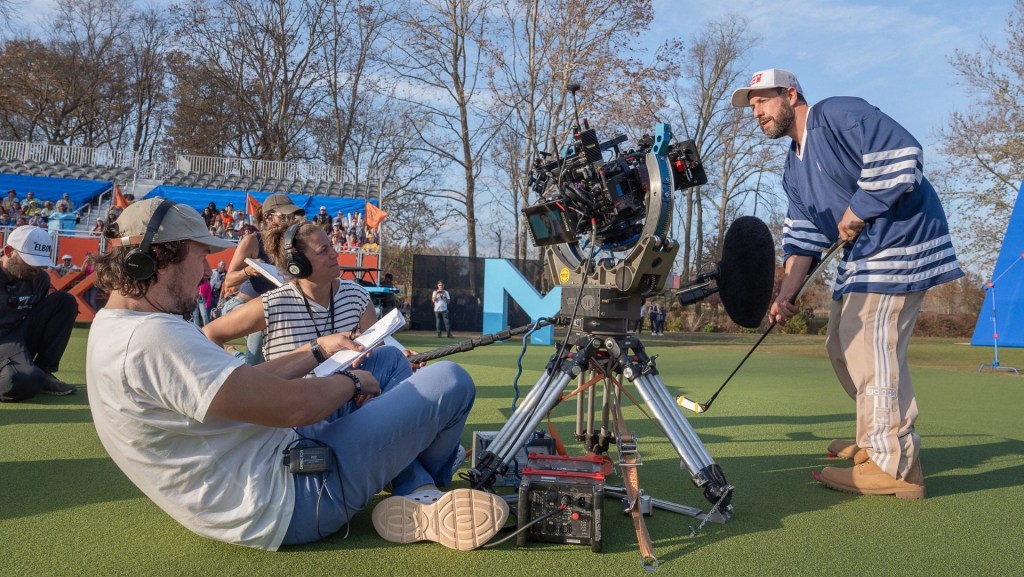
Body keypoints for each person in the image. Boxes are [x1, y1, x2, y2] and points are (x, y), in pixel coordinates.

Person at [86, 198, 506, 550]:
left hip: (279, 470)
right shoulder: (152, 338)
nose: (205, 273)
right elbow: (293, 406)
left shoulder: (121, 326)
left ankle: (410, 486)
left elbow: (249, 386)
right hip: (291, 500)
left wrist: (317, 349)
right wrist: (353, 383)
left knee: (388, 361)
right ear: (157, 257)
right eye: (200, 257)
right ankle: (421, 490)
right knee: (450, 379)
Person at [733, 68, 964, 499]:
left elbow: (904, 153)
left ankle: (891, 464)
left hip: (901, 241)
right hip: (863, 256)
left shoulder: (837, 113)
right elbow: (803, 238)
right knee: (840, 345)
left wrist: (859, 207)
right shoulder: (791, 168)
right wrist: (787, 292)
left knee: (867, 347)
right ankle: (874, 436)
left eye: (763, 101)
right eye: (752, 107)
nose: (757, 112)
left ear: (791, 94)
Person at [219, 193, 305, 364]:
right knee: (264, 314)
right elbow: (229, 281)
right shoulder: (252, 241)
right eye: (285, 216)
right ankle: (247, 366)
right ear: (268, 217)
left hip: (273, 309)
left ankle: (237, 357)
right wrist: (248, 271)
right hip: (242, 306)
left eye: (292, 216)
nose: (290, 220)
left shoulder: (291, 246)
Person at [0, 226, 78, 401]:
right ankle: (31, 375)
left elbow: (39, 317)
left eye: (40, 261)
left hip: (20, 334)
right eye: (30, 260)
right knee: (20, 382)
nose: (36, 267)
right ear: (9, 251)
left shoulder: (40, 278)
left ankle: (44, 371)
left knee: (64, 301)